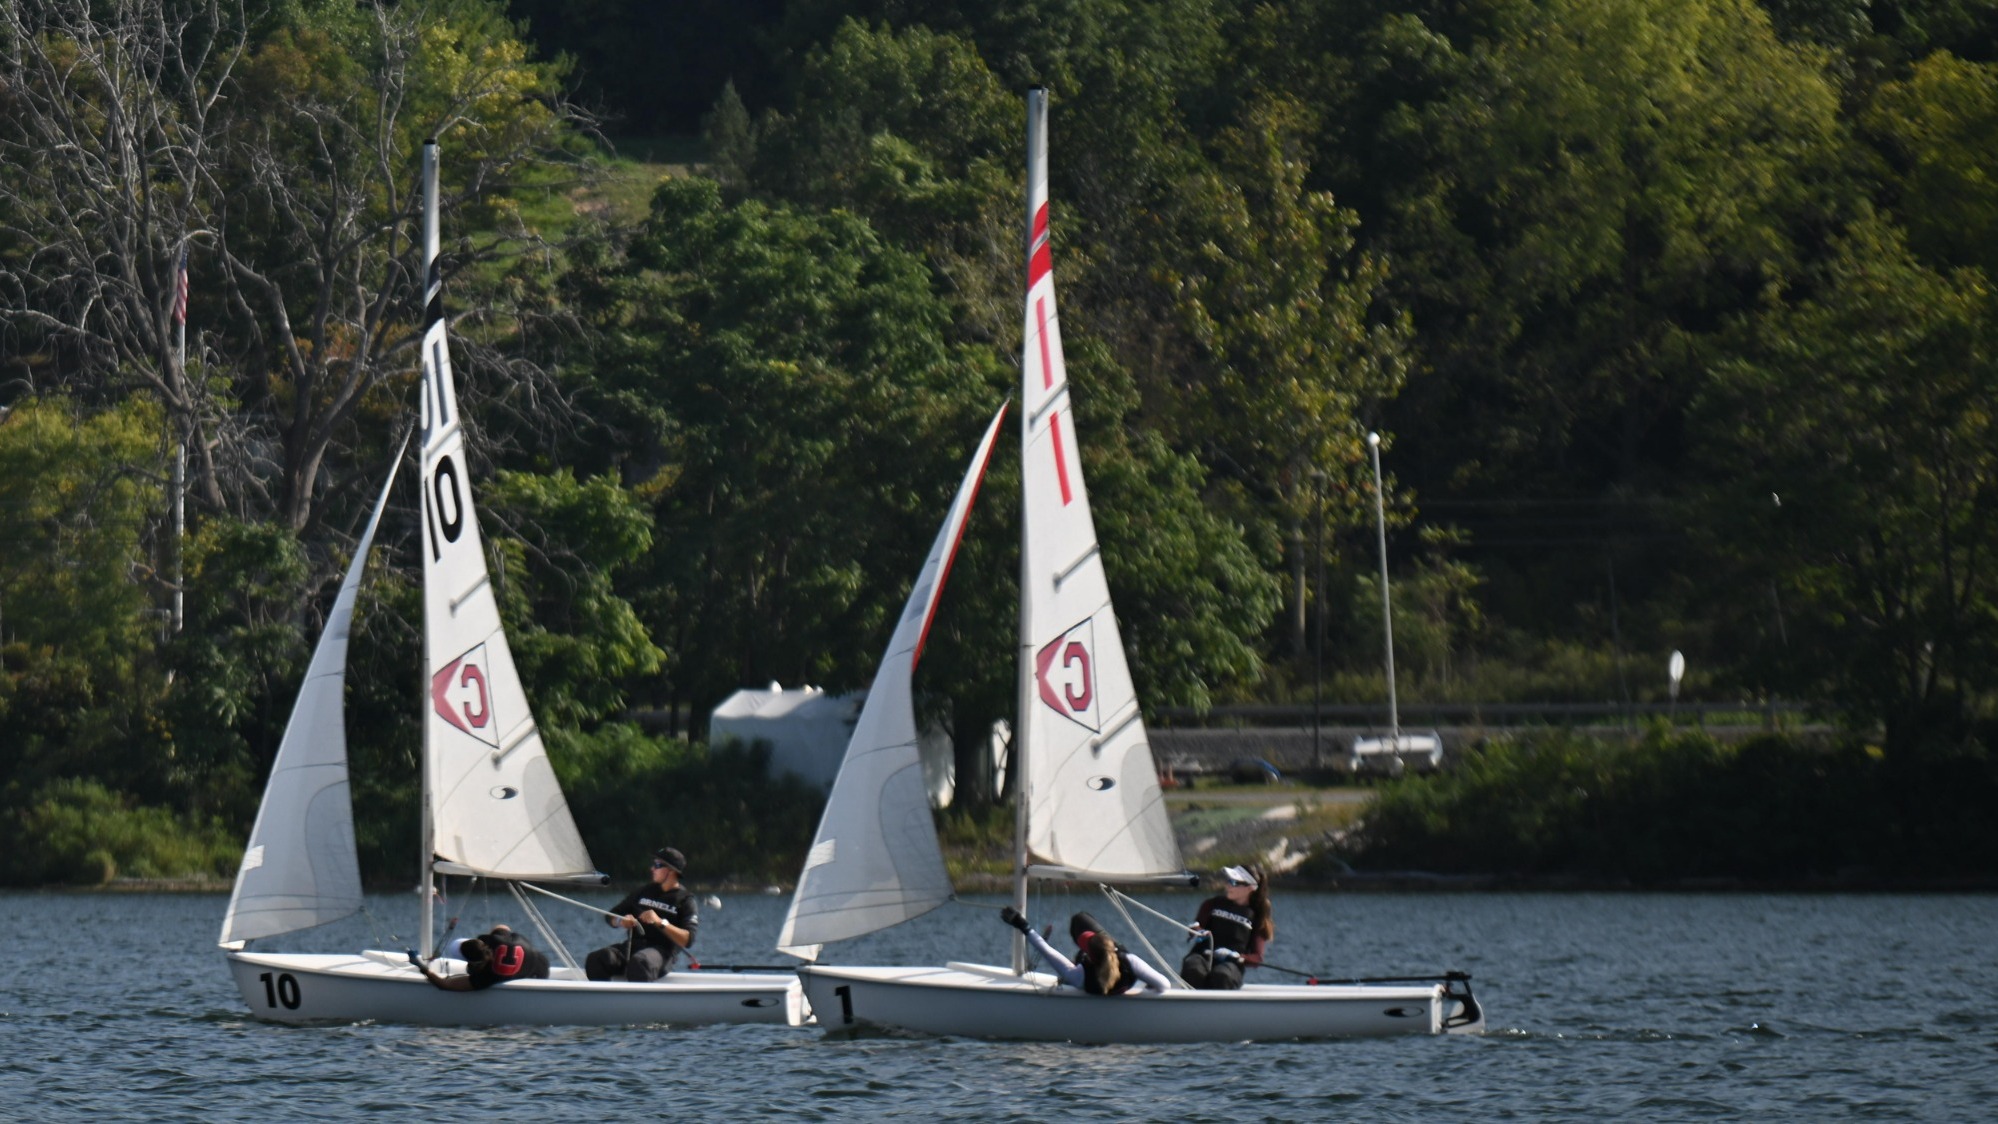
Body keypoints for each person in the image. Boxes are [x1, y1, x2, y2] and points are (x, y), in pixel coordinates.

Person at [584, 846, 698, 982]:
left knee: (640, 962)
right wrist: (621, 921)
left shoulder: (685, 900)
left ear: (671, 871)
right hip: (632, 947)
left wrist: (660, 922)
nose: (652, 869)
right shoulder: (643, 892)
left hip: (661, 953)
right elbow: (611, 915)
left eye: (657, 865)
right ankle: (602, 1001)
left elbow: (688, 939)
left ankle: (638, 1003)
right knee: (596, 959)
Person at [999, 906, 1172, 995]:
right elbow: (1164, 985)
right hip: (1115, 964)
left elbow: (1047, 951)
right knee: (1081, 920)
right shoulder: (1129, 962)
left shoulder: (1080, 975)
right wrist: (1147, 989)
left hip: (1094, 968)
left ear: (1090, 956)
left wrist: (1023, 925)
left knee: (1079, 920)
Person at [1179, 864, 1274, 991]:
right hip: (1202, 956)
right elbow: (1197, 928)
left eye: (1234, 882)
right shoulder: (1211, 904)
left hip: (1230, 966)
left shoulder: (1257, 916)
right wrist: (1196, 931)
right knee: (1193, 968)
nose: (1228, 885)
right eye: (1228, 881)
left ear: (1250, 887)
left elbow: (1257, 958)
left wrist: (1237, 956)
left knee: (1221, 975)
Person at [411, 924, 551, 991]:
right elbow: (502, 927)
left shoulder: (487, 976)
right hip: (542, 961)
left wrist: (421, 967)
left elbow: (445, 985)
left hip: (538, 977)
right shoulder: (495, 939)